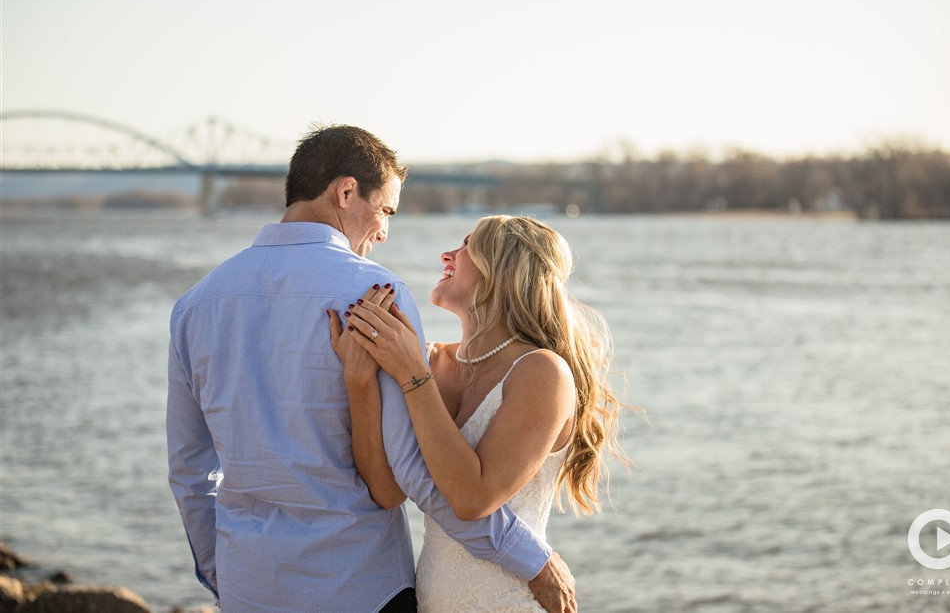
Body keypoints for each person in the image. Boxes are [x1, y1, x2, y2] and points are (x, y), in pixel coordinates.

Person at [167, 125, 575, 612]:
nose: (384, 232)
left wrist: (224, 578)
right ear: (345, 192)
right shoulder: (373, 296)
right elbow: (411, 473)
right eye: (385, 211)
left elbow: (191, 472)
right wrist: (530, 558)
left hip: (248, 587)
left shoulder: (195, 305)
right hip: (359, 588)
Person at [330, 215, 629, 611]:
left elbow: (472, 498)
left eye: (467, 245)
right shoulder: (427, 360)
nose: (447, 254)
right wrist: (361, 382)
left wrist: (411, 375)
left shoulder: (541, 372)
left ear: (501, 271)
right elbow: (386, 491)